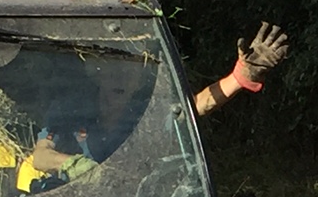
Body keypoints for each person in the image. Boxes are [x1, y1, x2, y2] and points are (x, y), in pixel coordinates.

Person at [25, 22, 289, 187]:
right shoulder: (72, 107)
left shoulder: (146, 113)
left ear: (141, 77)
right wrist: (76, 166)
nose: (120, 76)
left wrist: (240, 77)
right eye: (113, 67)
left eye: (130, 70)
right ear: (98, 70)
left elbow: (199, 105)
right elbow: (40, 156)